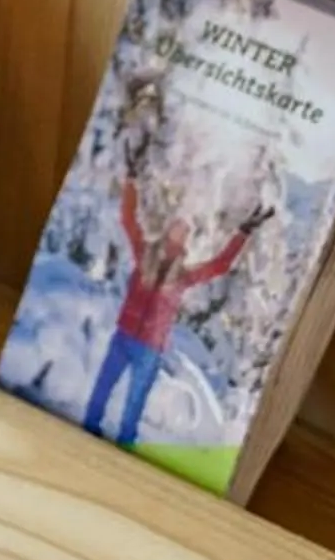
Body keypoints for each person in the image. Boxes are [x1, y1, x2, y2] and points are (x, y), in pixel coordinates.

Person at [81, 179, 273, 446]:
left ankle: (124, 446)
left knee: (134, 406)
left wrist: (243, 232)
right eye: (177, 224)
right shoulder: (144, 254)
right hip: (124, 336)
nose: (180, 228)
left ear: (186, 240)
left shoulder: (184, 276)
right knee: (103, 388)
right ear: (169, 229)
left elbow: (220, 265)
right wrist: (131, 182)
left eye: (186, 229)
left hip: (150, 349)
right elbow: (128, 220)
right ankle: (88, 430)